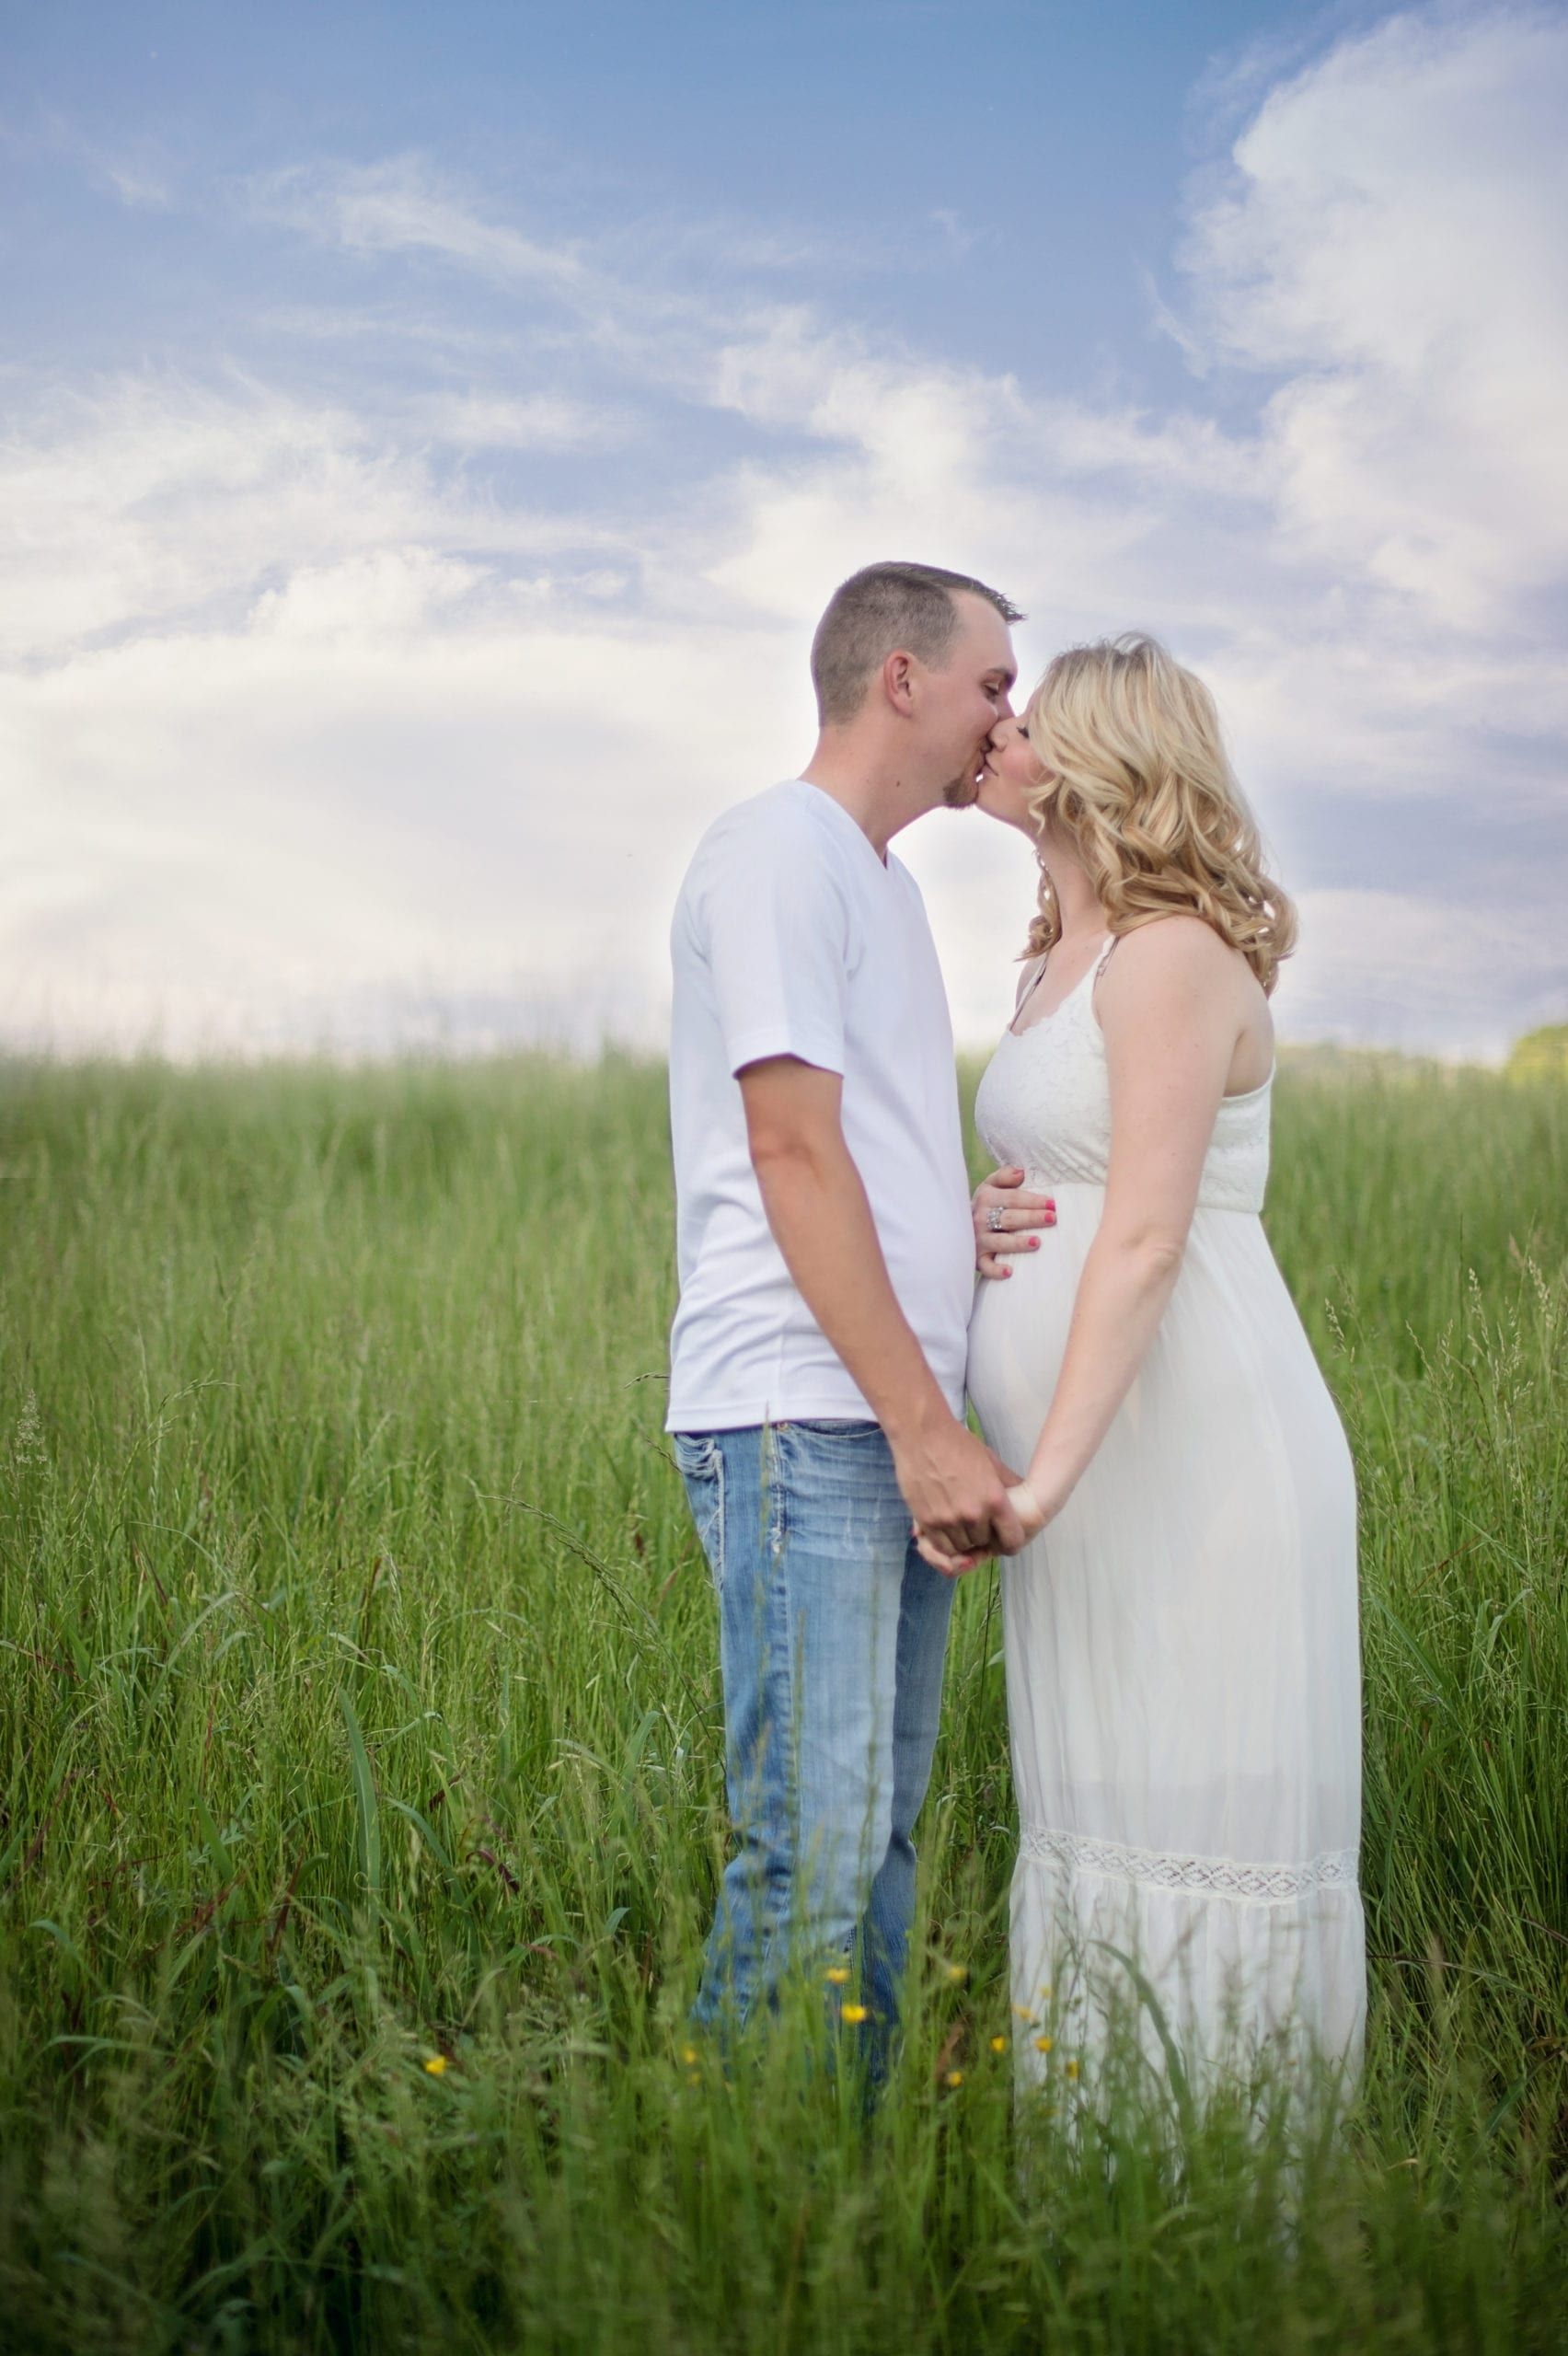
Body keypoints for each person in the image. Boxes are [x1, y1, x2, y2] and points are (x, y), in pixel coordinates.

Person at [941, 633, 1365, 2102]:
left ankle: (1231, 2209)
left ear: (1101, 761)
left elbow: (1143, 1238)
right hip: (1089, 1468)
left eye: (1026, 716)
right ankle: (1107, 2195)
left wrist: (1038, 1480)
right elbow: (1059, 1187)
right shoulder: (1056, 959)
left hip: (1189, 1453)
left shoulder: (1170, 954)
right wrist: (973, 1217)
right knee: (1097, 1806)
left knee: (1195, 1804)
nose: (996, 730)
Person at [666, 560, 1039, 2051]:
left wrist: (953, 1228)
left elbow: (855, 1153)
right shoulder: (777, 852)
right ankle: (717, 2236)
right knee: (809, 1860)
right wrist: (926, 1426)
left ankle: (839, 2212)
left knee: (873, 1851)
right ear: (903, 679)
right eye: (993, 685)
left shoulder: (879, 887)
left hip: (872, 1418)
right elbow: (788, 1150)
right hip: (807, 1414)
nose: (1008, 719)